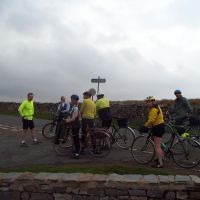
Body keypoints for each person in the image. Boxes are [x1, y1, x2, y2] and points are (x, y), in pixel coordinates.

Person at [139, 96, 165, 168]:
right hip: (159, 126)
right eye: (147, 102)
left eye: (149, 102)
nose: (147, 103)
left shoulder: (154, 109)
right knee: (158, 144)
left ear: (153, 102)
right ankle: (161, 157)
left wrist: (145, 126)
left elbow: (151, 120)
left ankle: (160, 163)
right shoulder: (157, 106)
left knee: (157, 147)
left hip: (158, 127)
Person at [65, 94, 80, 159]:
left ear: (75, 100)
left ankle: (77, 153)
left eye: (72, 99)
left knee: (76, 139)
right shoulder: (73, 107)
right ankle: (75, 150)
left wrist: (67, 121)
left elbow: (73, 118)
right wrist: (67, 119)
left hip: (76, 125)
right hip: (74, 125)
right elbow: (70, 115)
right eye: (71, 99)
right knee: (74, 138)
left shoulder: (76, 108)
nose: (71, 100)